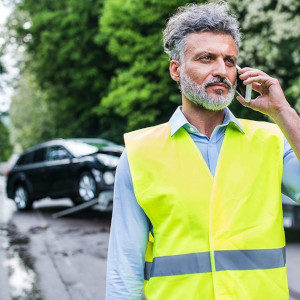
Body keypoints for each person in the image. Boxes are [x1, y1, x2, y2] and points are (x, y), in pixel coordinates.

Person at [106, 1, 300, 299]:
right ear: (176, 70)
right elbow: (124, 269)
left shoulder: (272, 140)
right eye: (206, 58)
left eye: (230, 61)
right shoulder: (139, 153)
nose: (221, 70)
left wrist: (283, 111)